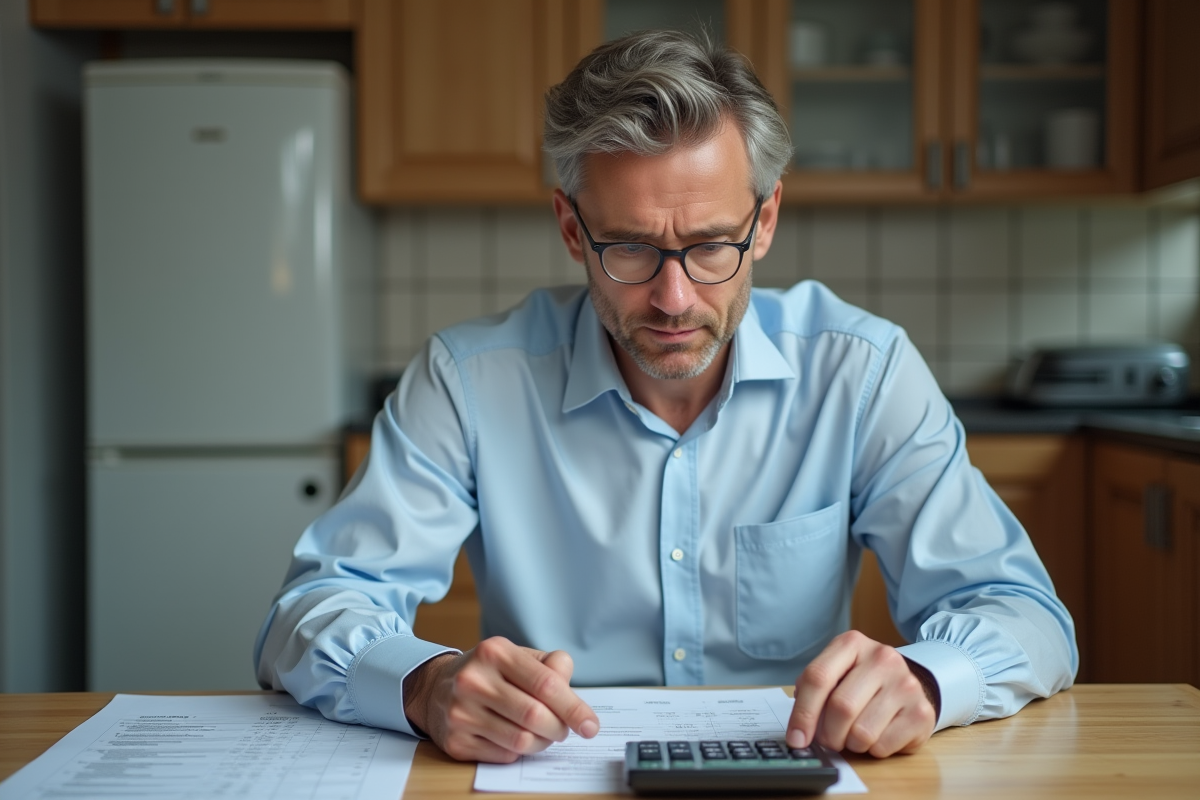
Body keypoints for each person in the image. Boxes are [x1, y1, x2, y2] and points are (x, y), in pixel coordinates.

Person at [254, 29, 1077, 764]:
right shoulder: (469, 382)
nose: (675, 298)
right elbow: (311, 612)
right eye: (632, 249)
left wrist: (927, 682)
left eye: (712, 245)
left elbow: (1023, 616)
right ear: (572, 229)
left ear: (766, 219)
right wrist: (424, 685)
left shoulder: (861, 373)